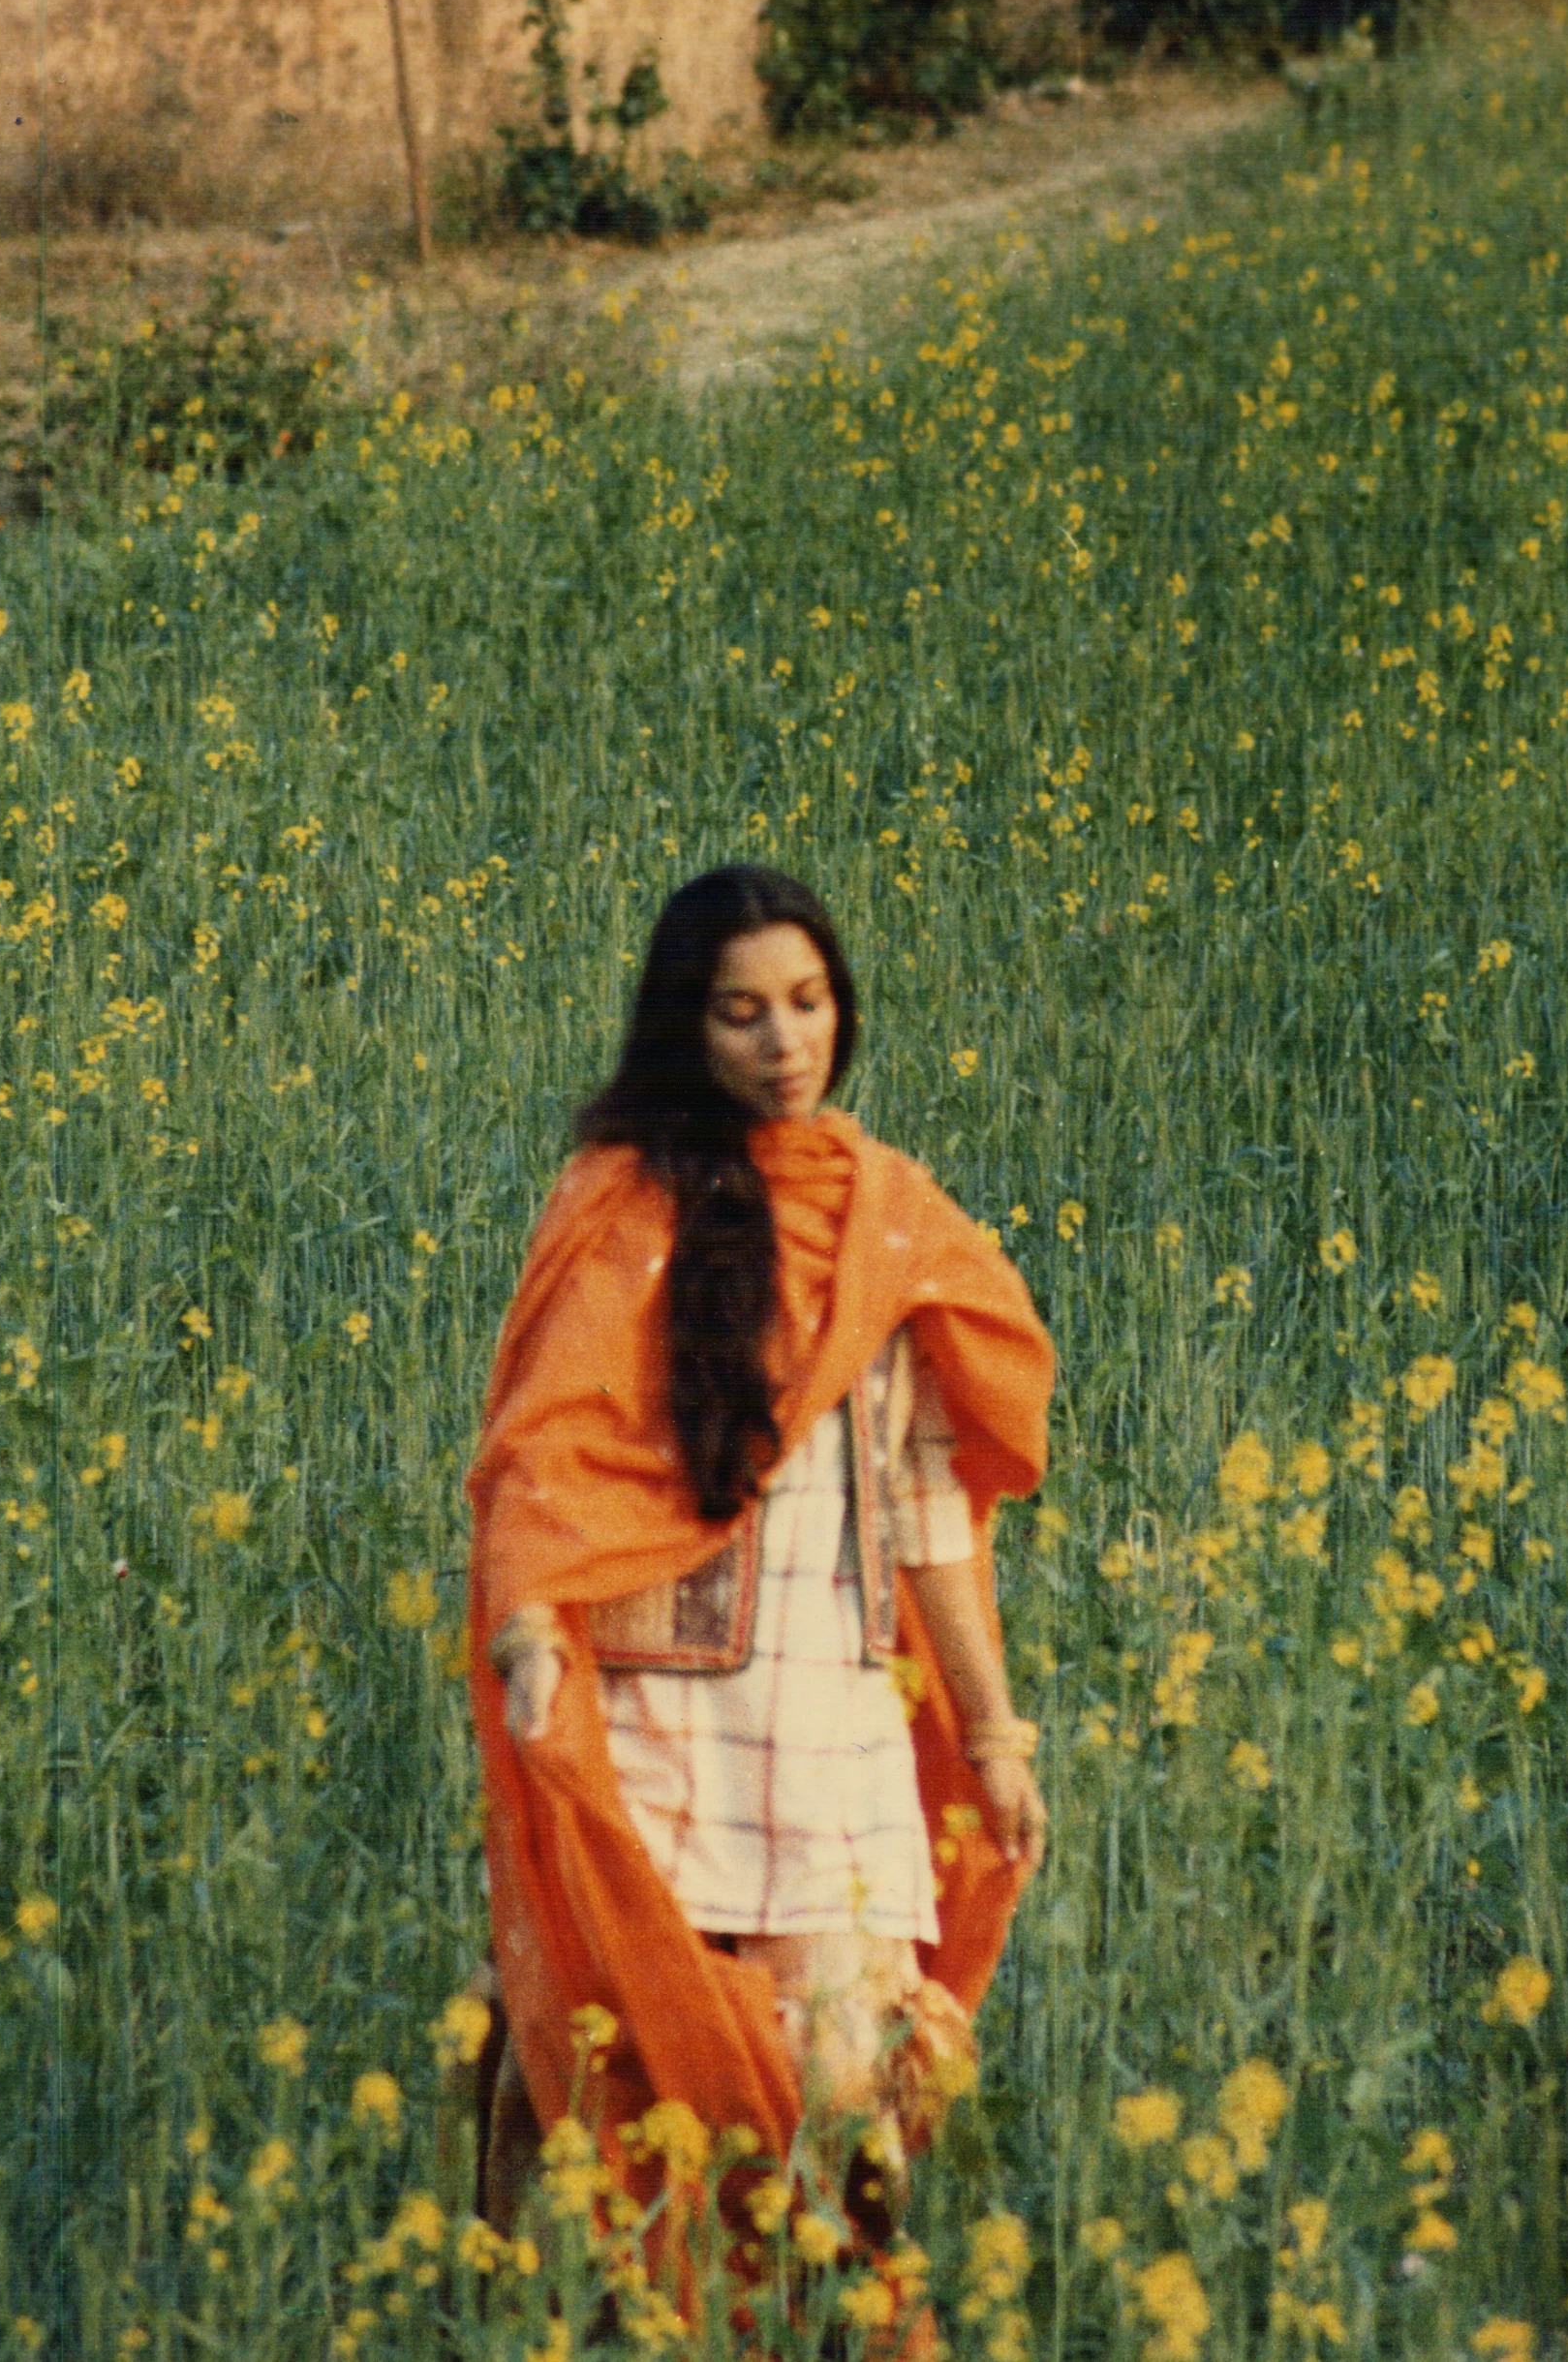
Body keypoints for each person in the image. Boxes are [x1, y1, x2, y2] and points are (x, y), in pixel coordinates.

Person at [463, 865, 1054, 2298]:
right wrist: (530, 1639)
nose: (787, 1041)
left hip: (837, 1720)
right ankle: (539, 2309)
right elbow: (547, 1456)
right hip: (654, 1715)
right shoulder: (617, 1207)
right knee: (604, 2055)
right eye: (743, 1014)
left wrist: (993, 1734)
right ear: (688, 1026)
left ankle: (818, 2323)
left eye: (808, 1002)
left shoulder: (888, 1218)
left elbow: (932, 1512)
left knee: (848, 2091)